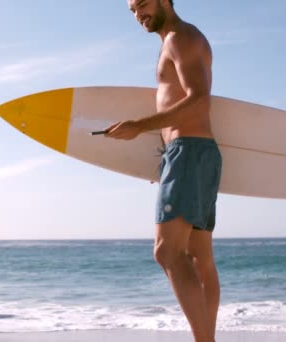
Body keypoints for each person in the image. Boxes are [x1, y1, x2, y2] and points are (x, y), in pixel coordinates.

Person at [105, 1, 222, 341]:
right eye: (131, 10)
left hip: (188, 151)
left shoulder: (179, 37)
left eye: (141, 3)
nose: (137, 13)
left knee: (167, 252)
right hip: (192, 154)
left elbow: (199, 99)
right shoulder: (179, 39)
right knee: (200, 259)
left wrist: (139, 126)